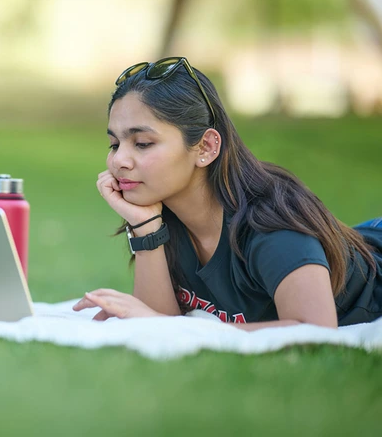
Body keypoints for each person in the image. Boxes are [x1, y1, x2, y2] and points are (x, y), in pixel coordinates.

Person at [72, 57, 382, 329]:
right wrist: (145, 228)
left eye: (142, 143)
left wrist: (179, 330)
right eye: (114, 144)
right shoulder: (165, 216)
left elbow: (314, 330)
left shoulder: (271, 220)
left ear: (206, 147)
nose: (118, 161)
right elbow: (157, 326)